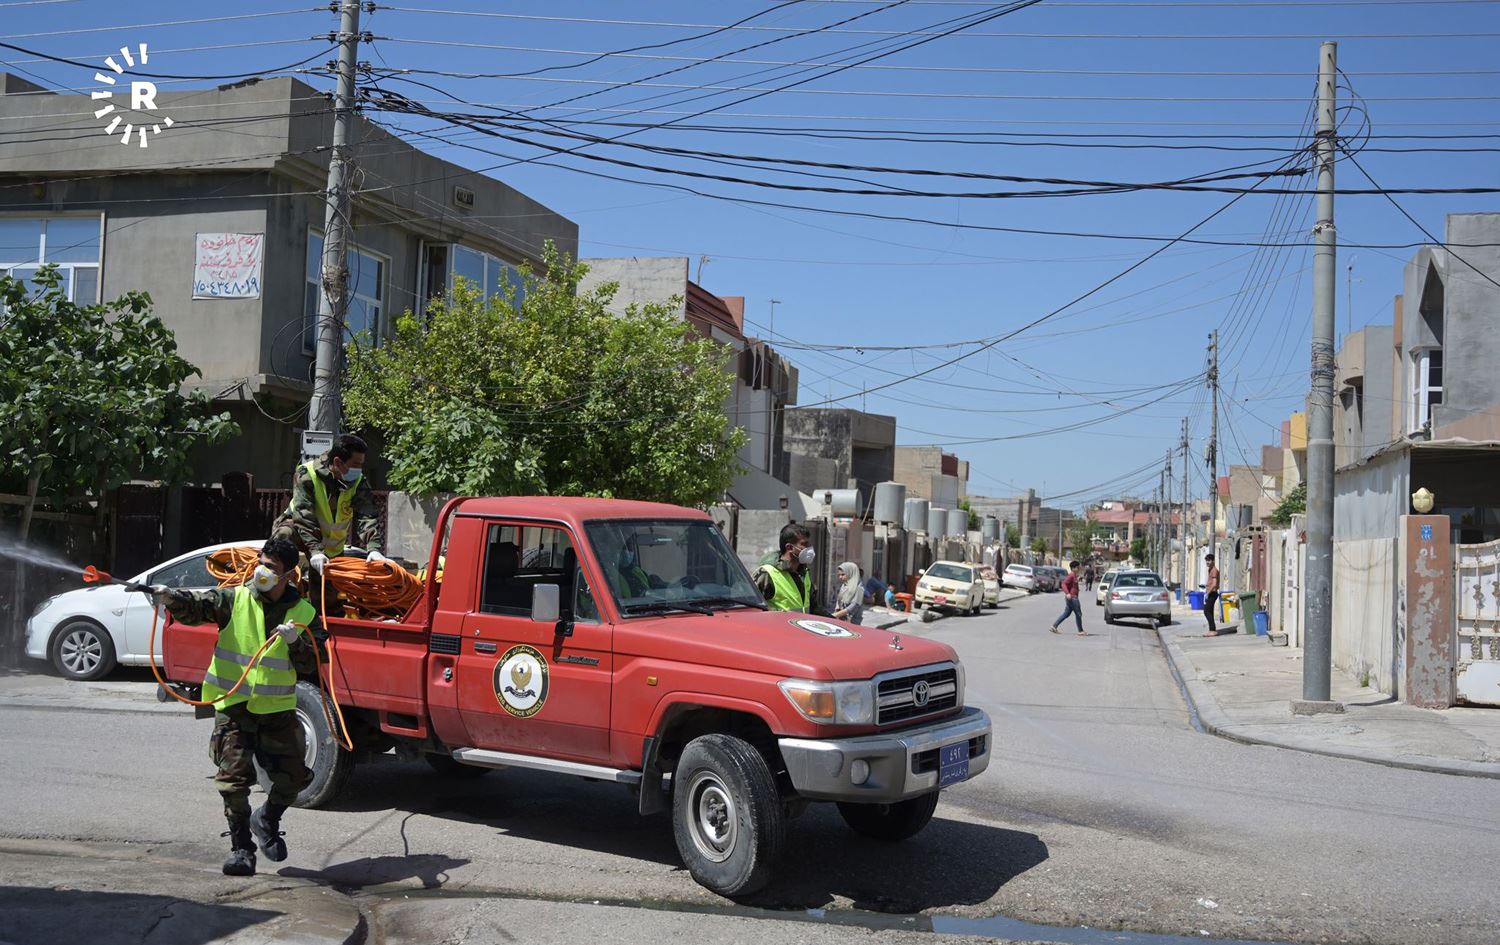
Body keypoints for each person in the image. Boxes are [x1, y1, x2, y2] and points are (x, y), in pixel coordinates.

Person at [147, 537, 317, 877]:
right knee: (233, 782)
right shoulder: (235, 599)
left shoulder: (304, 613)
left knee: (295, 778)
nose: (262, 571)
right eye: (262, 563)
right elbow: (199, 605)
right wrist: (171, 598)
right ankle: (242, 848)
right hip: (234, 706)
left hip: (276, 709)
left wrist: (296, 642)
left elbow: (315, 661)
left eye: (272, 568)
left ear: (288, 577)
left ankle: (267, 819)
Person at [272, 434, 385, 576]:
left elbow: (367, 515)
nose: (359, 470)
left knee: (327, 594)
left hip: (332, 547)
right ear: (337, 462)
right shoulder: (307, 474)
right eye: (356, 465)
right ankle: (274, 582)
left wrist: (374, 548)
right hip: (301, 532)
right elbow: (304, 517)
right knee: (283, 537)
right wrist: (315, 551)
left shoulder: (359, 482)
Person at [755, 523, 815, 612]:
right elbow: (751, 606)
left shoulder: (804, 572)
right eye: (804, 544)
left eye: (809, 544)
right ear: (790, 547)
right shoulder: (766, 573)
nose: (809, 548)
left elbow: (814, 606)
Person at [1049, 559, 1085, 635]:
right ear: (1073, 568)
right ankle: (1080, 631)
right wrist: (1067, 593)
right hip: (1073, 598)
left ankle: (1054, 626)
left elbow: (1072, 585)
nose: (1078, 569)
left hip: (1072, 598)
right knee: (1078, 614)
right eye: (1077, 568)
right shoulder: (1071, 575)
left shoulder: (1074, 576)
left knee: (1066, 613)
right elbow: (1063, 584)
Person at [832, 561, 863, 626]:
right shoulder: (844, 585)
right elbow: (839, 600)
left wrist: (836, 615)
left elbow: (853, 606)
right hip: (841, 619)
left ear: (850, 573)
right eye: (839, 575)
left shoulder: (859, 588)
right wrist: (836, 610)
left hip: (852, 623)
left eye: (843, 574)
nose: (840, 577)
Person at [1203, 553, 1222, 637]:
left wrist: (1208, 593)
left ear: (1213, 561)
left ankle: (1212, 630)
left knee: (1206, 611)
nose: (1207, 562)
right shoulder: (1210, 569)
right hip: (1210, 593)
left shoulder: (1214, 570)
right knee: (1210, 612)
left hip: (1212, 593)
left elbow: (1214, 584)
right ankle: (1212, 630)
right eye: (1206, 560)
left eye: (1209, 560)